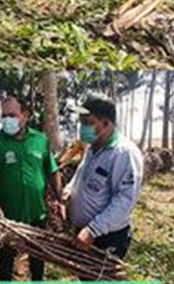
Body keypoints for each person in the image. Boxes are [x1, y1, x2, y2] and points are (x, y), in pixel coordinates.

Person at [0, 95, 63, 282]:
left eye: (12, 115)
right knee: (5, 264)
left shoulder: (40, 140)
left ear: (25, 115)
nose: (7, 120)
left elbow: (52, 171)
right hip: (6, 218)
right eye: (4, 116)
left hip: (37, 215)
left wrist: (60, 199)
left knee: (38, 263)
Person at [63, 95, 144, 264]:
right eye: (81, 122)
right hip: (84, 232)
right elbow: (80, 174)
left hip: (106, 237)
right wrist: (69, 190)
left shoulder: (123, 153)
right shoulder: (93, 148)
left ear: (106, 123)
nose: (82, 128)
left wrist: (93, 230)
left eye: (88, 122)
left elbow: (125, 200)